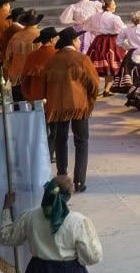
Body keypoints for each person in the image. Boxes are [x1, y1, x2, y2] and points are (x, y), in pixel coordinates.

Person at [0, 176, 102, 273]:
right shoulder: (78, 221)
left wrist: (6, 208)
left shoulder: (30, 217)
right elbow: (93, 257)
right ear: (68, 195)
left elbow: (5, 236)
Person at [43, 27, 100, 192]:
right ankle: (79, 181)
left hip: (58, 106)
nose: (80, 41)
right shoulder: (81, 58)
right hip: (78, 105)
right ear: (74, 41)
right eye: (78, 39)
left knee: (60, 140)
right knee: (81, 141)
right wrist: (90, 100)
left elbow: (44, 83)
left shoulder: (52, 60)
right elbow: (94, 83)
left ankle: (62, 177)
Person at [85, 0, 126, 96]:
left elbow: (87, 27)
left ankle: (102, 89)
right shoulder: (114, 18)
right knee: (111, 65)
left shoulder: (94, 16)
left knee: (98, 65)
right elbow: (122, 30)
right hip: (111, 41)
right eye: (113, 4)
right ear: (108, 7)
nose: (115, 6)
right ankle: (106, 89)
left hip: (98, 41)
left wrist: (97, 32)